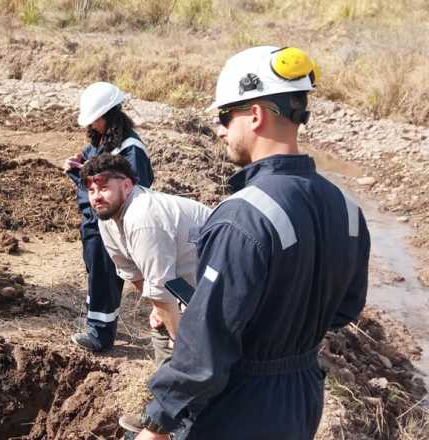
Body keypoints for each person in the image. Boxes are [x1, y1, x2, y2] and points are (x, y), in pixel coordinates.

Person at [128, 46, 370, 440]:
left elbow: (204, 350)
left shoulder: (244, 215)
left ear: (254, 115)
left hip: (239, 406)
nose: (221, 129)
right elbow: (345, 309)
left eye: (225, 116)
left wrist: (157, 422)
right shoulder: (347, 209)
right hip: (302, 398)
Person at [81, 154, 212, 365]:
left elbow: (160, 287)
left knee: (196, 354)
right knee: (162, 327)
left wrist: (181, 341)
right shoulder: (108, 218)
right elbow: (132, 270)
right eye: (91, 190)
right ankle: (172, 388)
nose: (96, 197)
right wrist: (158, 309)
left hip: (222, 279)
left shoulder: (142, 217)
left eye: (104, 188)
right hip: (185, 282)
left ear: (126, 185)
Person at [64, 82, 154, 352]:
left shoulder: (130, 149)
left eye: (95, 120)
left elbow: (136, 189)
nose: (91, 125)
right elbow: (92, 167)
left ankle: (100, 336)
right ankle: (100, 324)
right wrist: (77, 166)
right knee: (97, 274)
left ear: (109, 116)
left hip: (111, 223)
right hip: (95, 221)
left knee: (105, 275)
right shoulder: (102, 142)